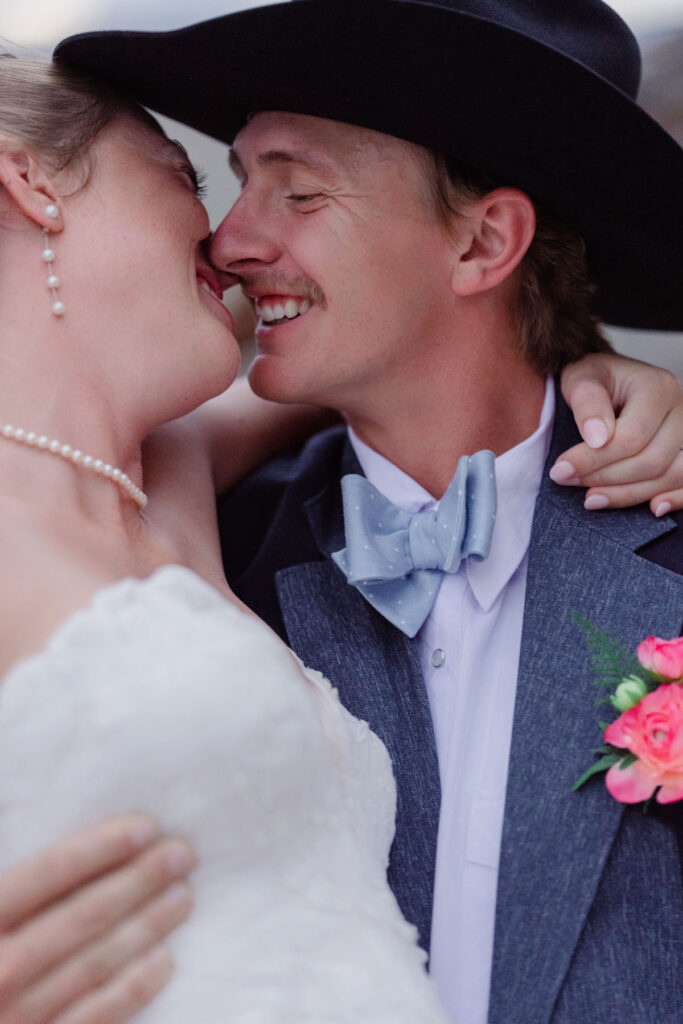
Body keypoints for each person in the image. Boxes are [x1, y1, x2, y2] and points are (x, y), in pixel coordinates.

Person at [3, 4, 682, 1022]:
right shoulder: (217, 541)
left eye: (299, 191)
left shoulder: (667, 538)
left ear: (485, 240)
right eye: (227, 181)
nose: (228, 242)